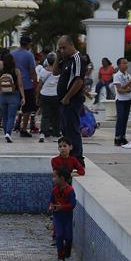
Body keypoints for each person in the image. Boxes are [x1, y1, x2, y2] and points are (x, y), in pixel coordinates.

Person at [54, 35, 87, 165]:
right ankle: (68, 155)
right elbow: (55, 72)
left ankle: (78, 158)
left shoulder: (78, 59)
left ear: (71, 45)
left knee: (73, 129)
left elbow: (79, 81)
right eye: (60, 48)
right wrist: (58, 57)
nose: (62, 50)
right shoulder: (66, 59)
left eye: (64, 48)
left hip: (72, 100)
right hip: (63, 101)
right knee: (65, 129)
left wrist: (67, 97)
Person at [11, 35, 39, 137]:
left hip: (14, 84)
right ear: (27, 44)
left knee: (13, 106)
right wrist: (35, 84)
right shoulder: (29, 55)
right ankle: (23, 129)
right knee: (27, 108)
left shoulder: (12, 53)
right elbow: (32, 71)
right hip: (26, 84)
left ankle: (11, 126)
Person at [49, 166, 76, 261]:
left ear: (62, 178)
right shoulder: (54, 190)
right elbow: (51, 201)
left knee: (68, 237)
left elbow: (72, 204)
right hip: (58, 216)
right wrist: (52, 206)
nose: (53, 179)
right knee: (59, 235)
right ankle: (60, 256)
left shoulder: (70, 190)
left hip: (67, 216)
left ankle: (67, 251)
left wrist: (62, 207)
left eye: (55, 177)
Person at [36, 53, 60, 143]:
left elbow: (39, 85)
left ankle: (43, 133)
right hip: (56, 96)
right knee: (56, 116)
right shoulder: (59, 71)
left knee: (45, 115)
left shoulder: (43, 71)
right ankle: (56, 134)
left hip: (45, 95)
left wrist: (37, 97)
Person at [112, 58, 131, 146]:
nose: (126, 65)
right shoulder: (117, 75)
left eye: (126, 63)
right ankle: (117, 137)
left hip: (127, 100)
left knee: (125, 119)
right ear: (119, 65)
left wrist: (126, 87)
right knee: (120, 119)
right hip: (120, 100)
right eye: (124, 63)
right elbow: (120, 90)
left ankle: (123, 137)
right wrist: (129, 83)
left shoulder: (128, 75)